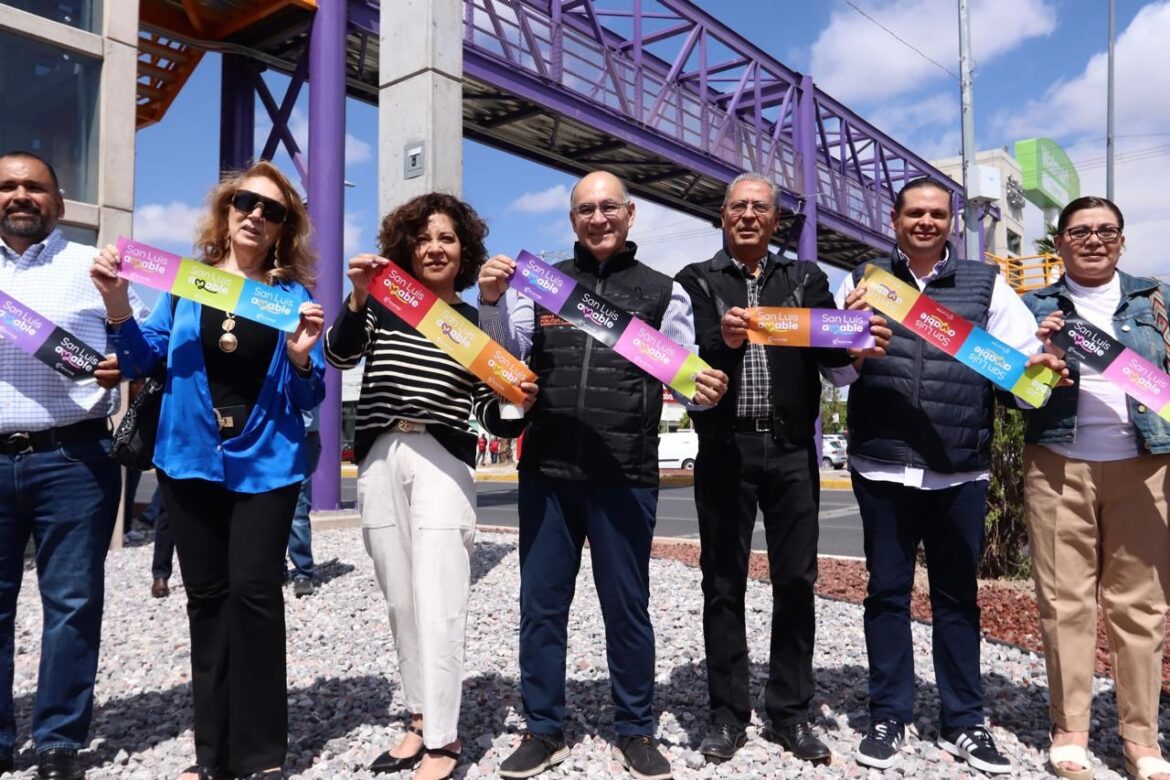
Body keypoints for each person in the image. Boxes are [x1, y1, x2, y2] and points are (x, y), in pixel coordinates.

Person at [478, 170, 728, 780]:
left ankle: (636, 729)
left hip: (625, 472)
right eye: (585, 209)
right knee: (541, 607)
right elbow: (506, 357)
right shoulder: (540, 286)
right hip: (548, 472)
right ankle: (542, 729)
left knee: (627, 607)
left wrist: (705, 389)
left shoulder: (663, 292)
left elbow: (685, 379)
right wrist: (488, 301)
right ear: (572, 221)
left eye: (608, 207)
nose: (597, 218)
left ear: (630, 214)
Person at [90, 160, 326, 780]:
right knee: (207, 602)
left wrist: (301, 361)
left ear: (283, 230)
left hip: (267, 464)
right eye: (246, 202)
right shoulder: (184, 283)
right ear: (226, 211)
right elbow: (144, 358)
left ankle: (262, 755)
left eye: (272, 210)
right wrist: (116, 302)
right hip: (189, 459)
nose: (256, 215)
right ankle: (212, 755)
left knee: (254, 598)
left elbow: (311, 397)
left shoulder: (291, 300)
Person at [834, 177, 1063, 774]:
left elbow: (1018, 374)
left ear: (952, 223)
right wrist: (850, 351)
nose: (927, 222)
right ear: (895, 220)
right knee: (886, 594)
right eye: (915, 213)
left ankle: (964, 720)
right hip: (880, 463)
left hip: (958, 469)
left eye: (938, 214)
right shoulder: (862, 283)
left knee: (957, 599)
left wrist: (1035, 370)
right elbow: (833, 374)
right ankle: (889, 713)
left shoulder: (987, 286)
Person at [674, 172, 890, 766]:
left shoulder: (806, 278)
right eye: (738, 206)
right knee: (722, 583)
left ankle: (791, 711)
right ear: (722, 215)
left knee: (797, 580)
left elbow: (831, 359)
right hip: (724, 448)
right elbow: (680, 365)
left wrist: (855, 341)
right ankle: (726, 713)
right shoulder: (693, 281)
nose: (748, 215)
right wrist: (721, 342)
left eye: (760, 208)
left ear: (776, 221)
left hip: (793, 448)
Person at [325, 193, 536, 780]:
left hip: (442, 457)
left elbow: (487, 415)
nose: (435, 248)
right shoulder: (383, 306)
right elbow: (339, 356)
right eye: (423, 238)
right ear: (406, 249)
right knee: (399, 598)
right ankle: (417, 715)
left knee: (440, 597)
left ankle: (445, 740)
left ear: (463, 251)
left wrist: (517, 401)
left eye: (447, 238)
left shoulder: (468, 322)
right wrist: (360, 295)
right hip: (378, 455)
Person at [1023, 197, 1170, 780]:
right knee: (1066, 603)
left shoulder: (1155, 299)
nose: (1093, 239)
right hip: (1059, 461)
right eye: (1079, 231)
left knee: (1142, 605)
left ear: (1122, 241)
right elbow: (1015, 394)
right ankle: (1071, 729)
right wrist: (1039, 363)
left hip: (1145, 464)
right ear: (1059, 243)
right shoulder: (1033, 305)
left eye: (1106, 230)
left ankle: (1141, 736)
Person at [0, 150, 132, 780]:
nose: (19, 196)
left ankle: (58, 740)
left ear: (58, 201)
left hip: (74, 457)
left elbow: (134, 344)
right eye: (7, 187)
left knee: (73, 603)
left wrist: (121, 363)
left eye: (34, 187)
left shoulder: (95, 267)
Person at [285, 410, 320, 598]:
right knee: (269, 504)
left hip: (302, 435)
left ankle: (303, 572)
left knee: (298, 510)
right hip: (276, 434)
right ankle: (280, 567)